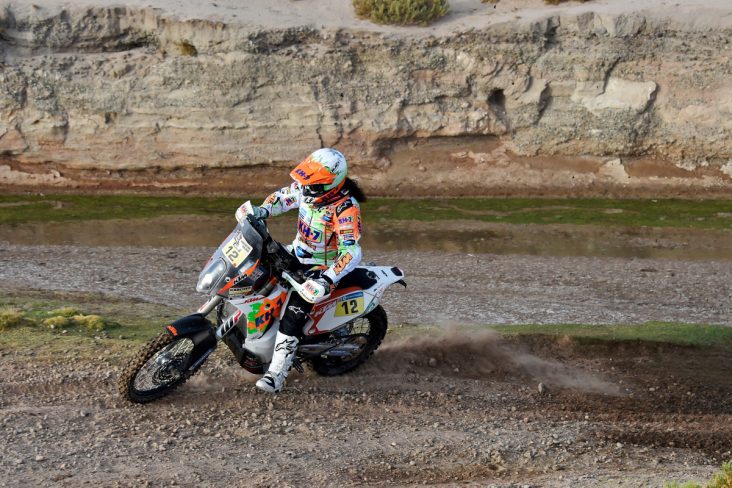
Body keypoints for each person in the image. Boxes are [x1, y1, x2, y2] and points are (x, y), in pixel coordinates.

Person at [235, 148, 365, 394]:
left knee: (293, 314)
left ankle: (276, 375)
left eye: (312, 184)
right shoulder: (308, 189)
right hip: (296, 253)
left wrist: (327, 280)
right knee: (251, 271)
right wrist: (261, 211)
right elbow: (283, 198)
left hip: (322, 269)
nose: (305, 188)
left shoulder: (345, 209)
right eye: (306, 181)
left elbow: (351, 252)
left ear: (330, 183)